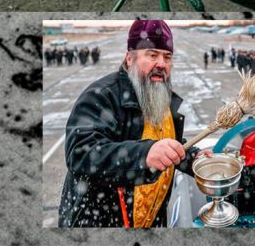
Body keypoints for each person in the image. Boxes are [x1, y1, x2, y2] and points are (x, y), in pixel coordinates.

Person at [58, 19, 202, 228]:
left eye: (167, 57)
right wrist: (143, 155)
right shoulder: (101, 95)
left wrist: (194, 157)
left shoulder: (161, 96)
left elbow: (167, 144)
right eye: (152, 55)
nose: (161, 63)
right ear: (129, 58)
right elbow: (80, 154)